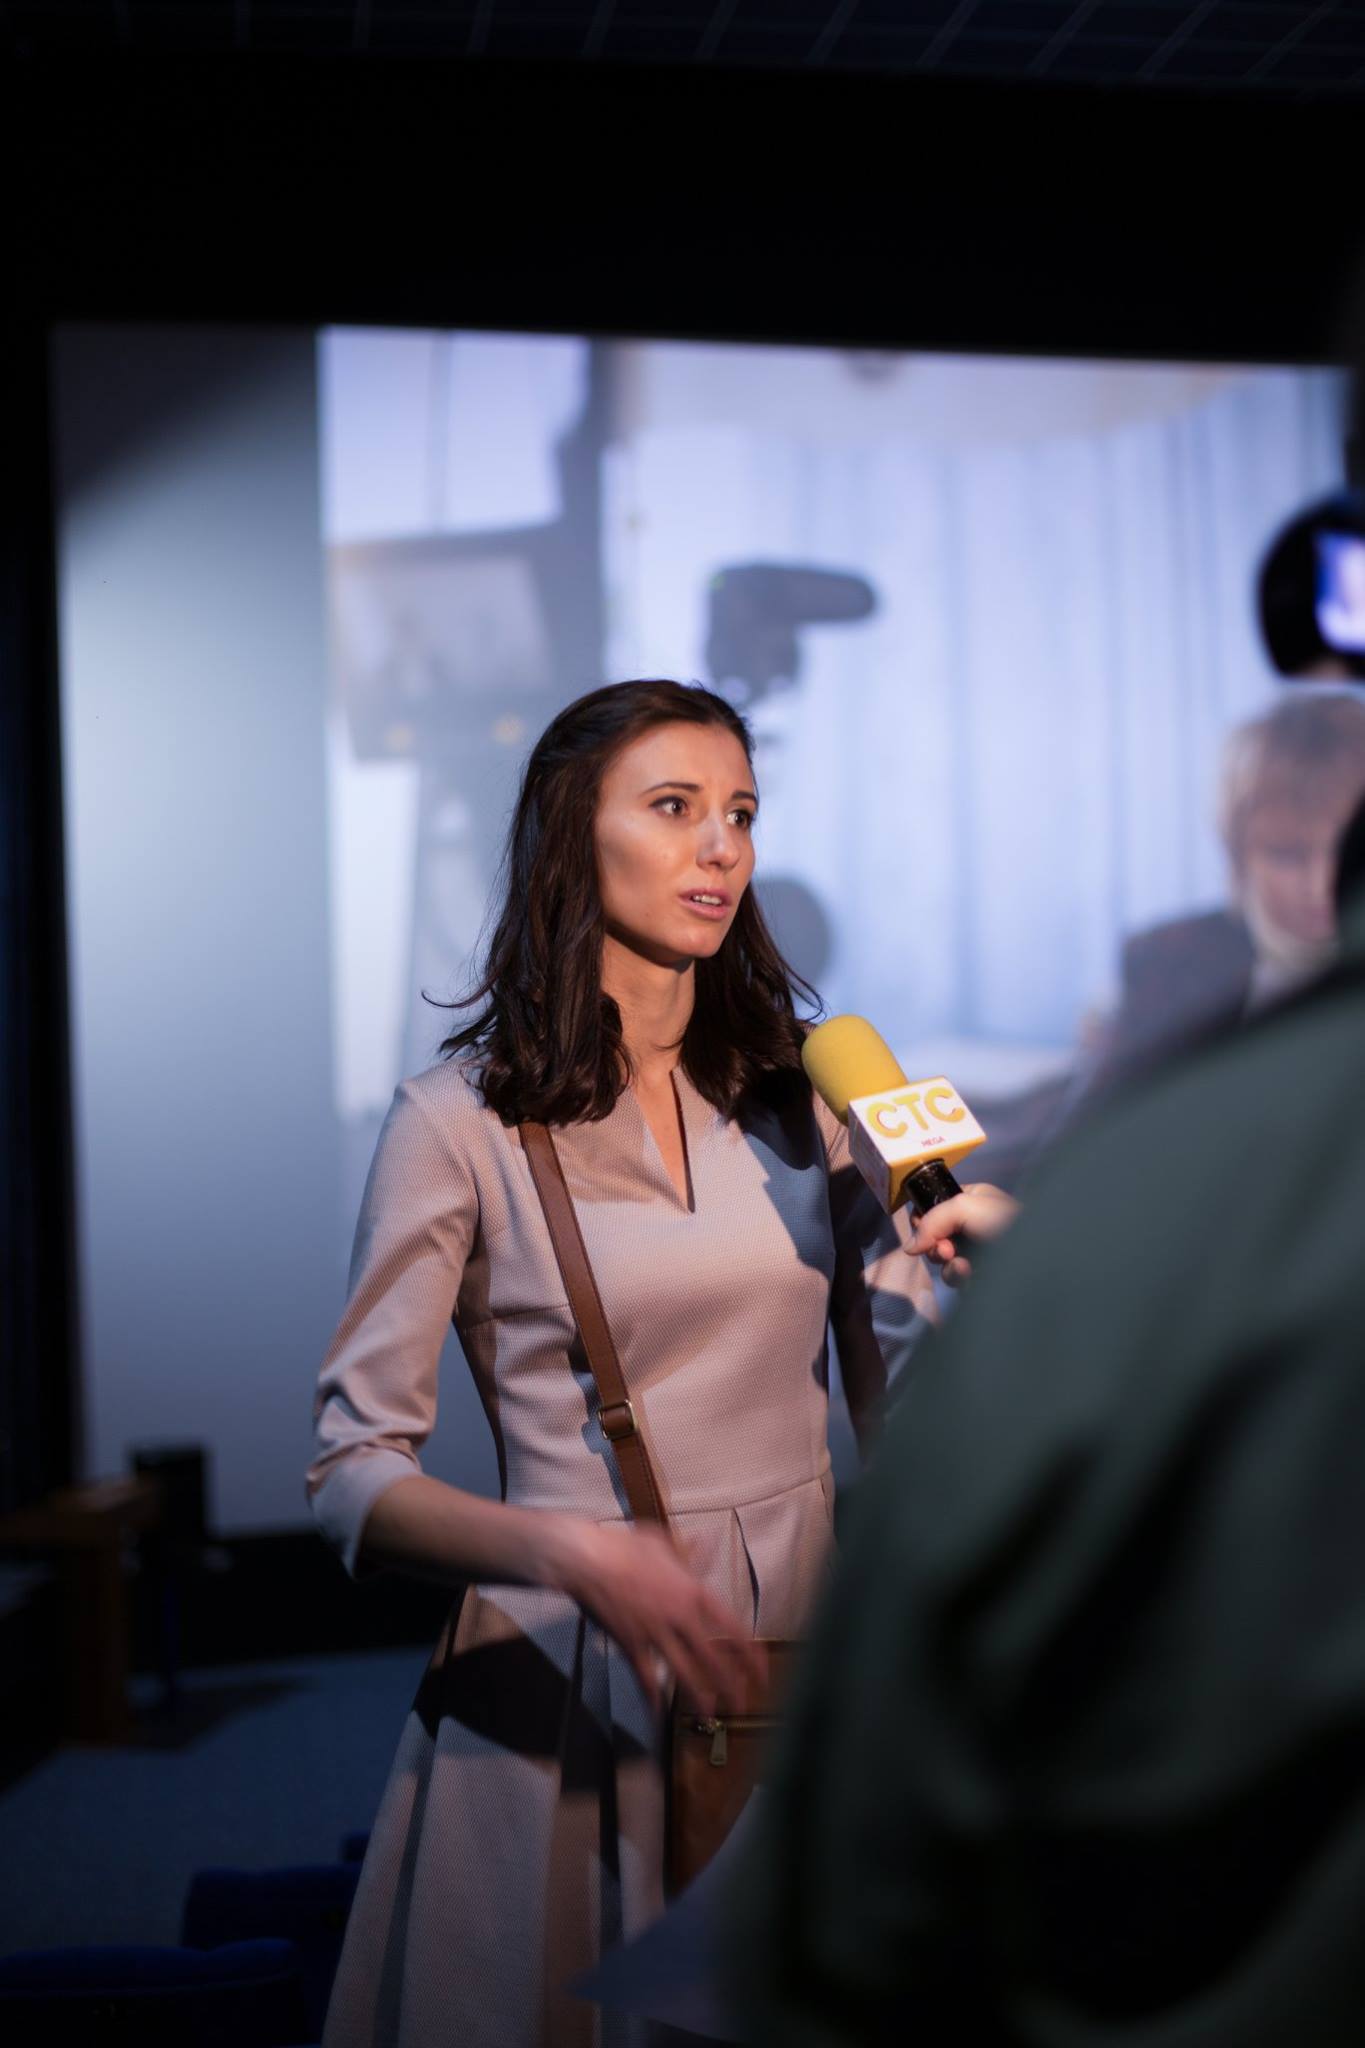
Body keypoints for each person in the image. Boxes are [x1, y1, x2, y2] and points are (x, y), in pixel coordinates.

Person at [305, 679, 938, 2048]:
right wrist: (570, 1553)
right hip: (571, 1668)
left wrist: (961, 1270)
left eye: (741, 814)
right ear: (570, 835)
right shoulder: (455, 1123)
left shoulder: (816, 1097)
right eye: (674, 806)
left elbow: (909, 1425)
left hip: (801, 1649)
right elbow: (351, 1477)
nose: (722, 846)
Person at [730, 785, 1365, 2045]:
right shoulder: (1174, 1043)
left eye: (738, 811)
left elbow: (865, 1885)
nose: (716, 850)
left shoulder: (1195, 1150)